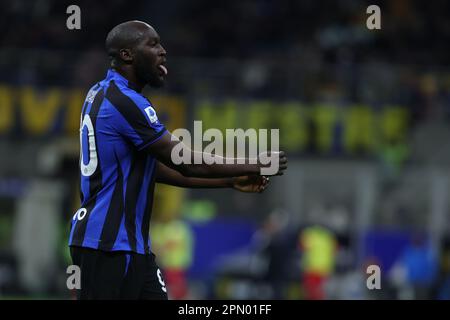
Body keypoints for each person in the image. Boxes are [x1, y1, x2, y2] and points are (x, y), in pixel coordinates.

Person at [68, 20, 287, 300]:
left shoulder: (101, 93)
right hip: (104, 245)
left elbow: (156, 169)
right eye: (153, 43)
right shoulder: (124, 101)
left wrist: (230, 180)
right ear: (127, 55)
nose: (163, 51)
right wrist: (256, 162)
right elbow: (184, 161)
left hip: (130, 247)